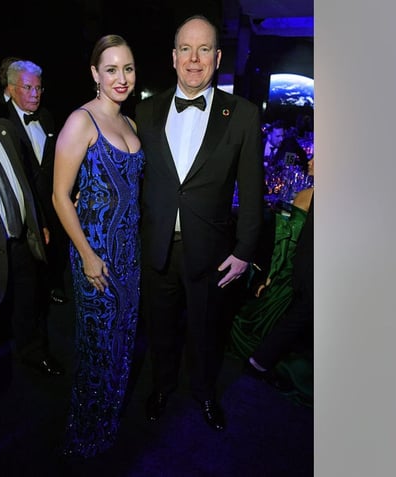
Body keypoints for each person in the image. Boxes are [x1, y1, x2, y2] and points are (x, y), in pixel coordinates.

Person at [135, 14, 265, 432]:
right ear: (173, 58)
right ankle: (161, 387)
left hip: (212, 252)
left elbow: (253, 190)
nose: (194, 59)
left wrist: (245, 251)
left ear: (217, 56)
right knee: (160, 329)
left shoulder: (242, 114)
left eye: (204, 49)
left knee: (206, 332)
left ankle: (206, 394)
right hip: (157, 247)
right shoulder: (146, 110)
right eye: (186, 50)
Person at [52, 34, 144, 458]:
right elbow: (60, 196)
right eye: (111, 69)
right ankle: (83, 436)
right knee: (96, 349)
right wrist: (88, 255)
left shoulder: (132, 124)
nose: (121, 77)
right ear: (95, 74)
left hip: (130, 257)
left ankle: (106, 427)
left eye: (127, 68)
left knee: (123, 343)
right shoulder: (80, 122)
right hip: (96, 260)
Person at [0, 77, 65, 378]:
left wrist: (38, 224)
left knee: (28, 299)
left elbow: (25, 184)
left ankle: (32, 352)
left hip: (20, 236)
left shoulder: (4, 131)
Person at [238, 156, 314, 405]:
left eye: (317, 158)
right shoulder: (310, 195)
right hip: (306, 272)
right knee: (300, 316)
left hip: (306, 271)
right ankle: (259, 361)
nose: (310, 161)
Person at [5, 59, 70, 305]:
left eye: (38, 88)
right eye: (28, 88)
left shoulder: (47, 117)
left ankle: (55, 286)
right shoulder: (3, 123)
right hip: (26, 209)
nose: (35, 94)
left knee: (56, 251)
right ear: (11, 89)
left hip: (52, 201)